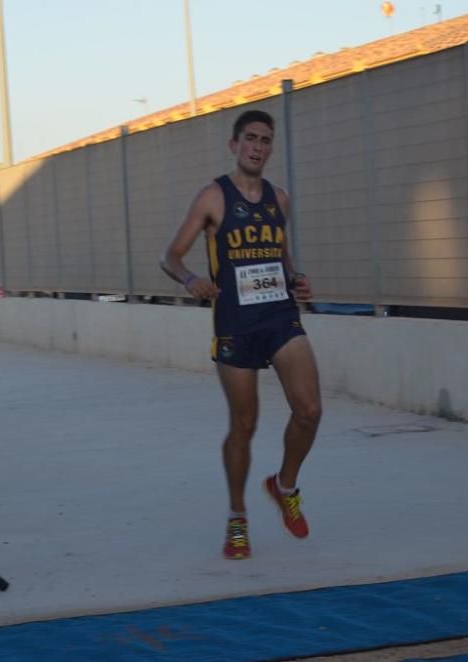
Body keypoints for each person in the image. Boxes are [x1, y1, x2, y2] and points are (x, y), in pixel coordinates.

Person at [160, 109, 322, 560]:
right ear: (234, 145)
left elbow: (280, 253)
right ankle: (237, 517)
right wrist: (190, 279)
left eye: (266, 140)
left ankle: (284, 485)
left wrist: (296, 278)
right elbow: (170, 255)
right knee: (244, 425)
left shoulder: (280, 199)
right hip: (234, 323)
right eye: (250, 138)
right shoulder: (212, 197)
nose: (258, 147)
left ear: (271, 148)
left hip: (279, 317)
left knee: (309, 410)